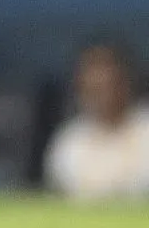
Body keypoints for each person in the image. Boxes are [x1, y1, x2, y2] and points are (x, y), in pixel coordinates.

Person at [43, 43, 149, 202]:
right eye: (94, 88)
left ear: (125, 82)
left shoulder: (145, 130)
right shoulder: (69, 141)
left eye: (108, 84)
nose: (101, 95)